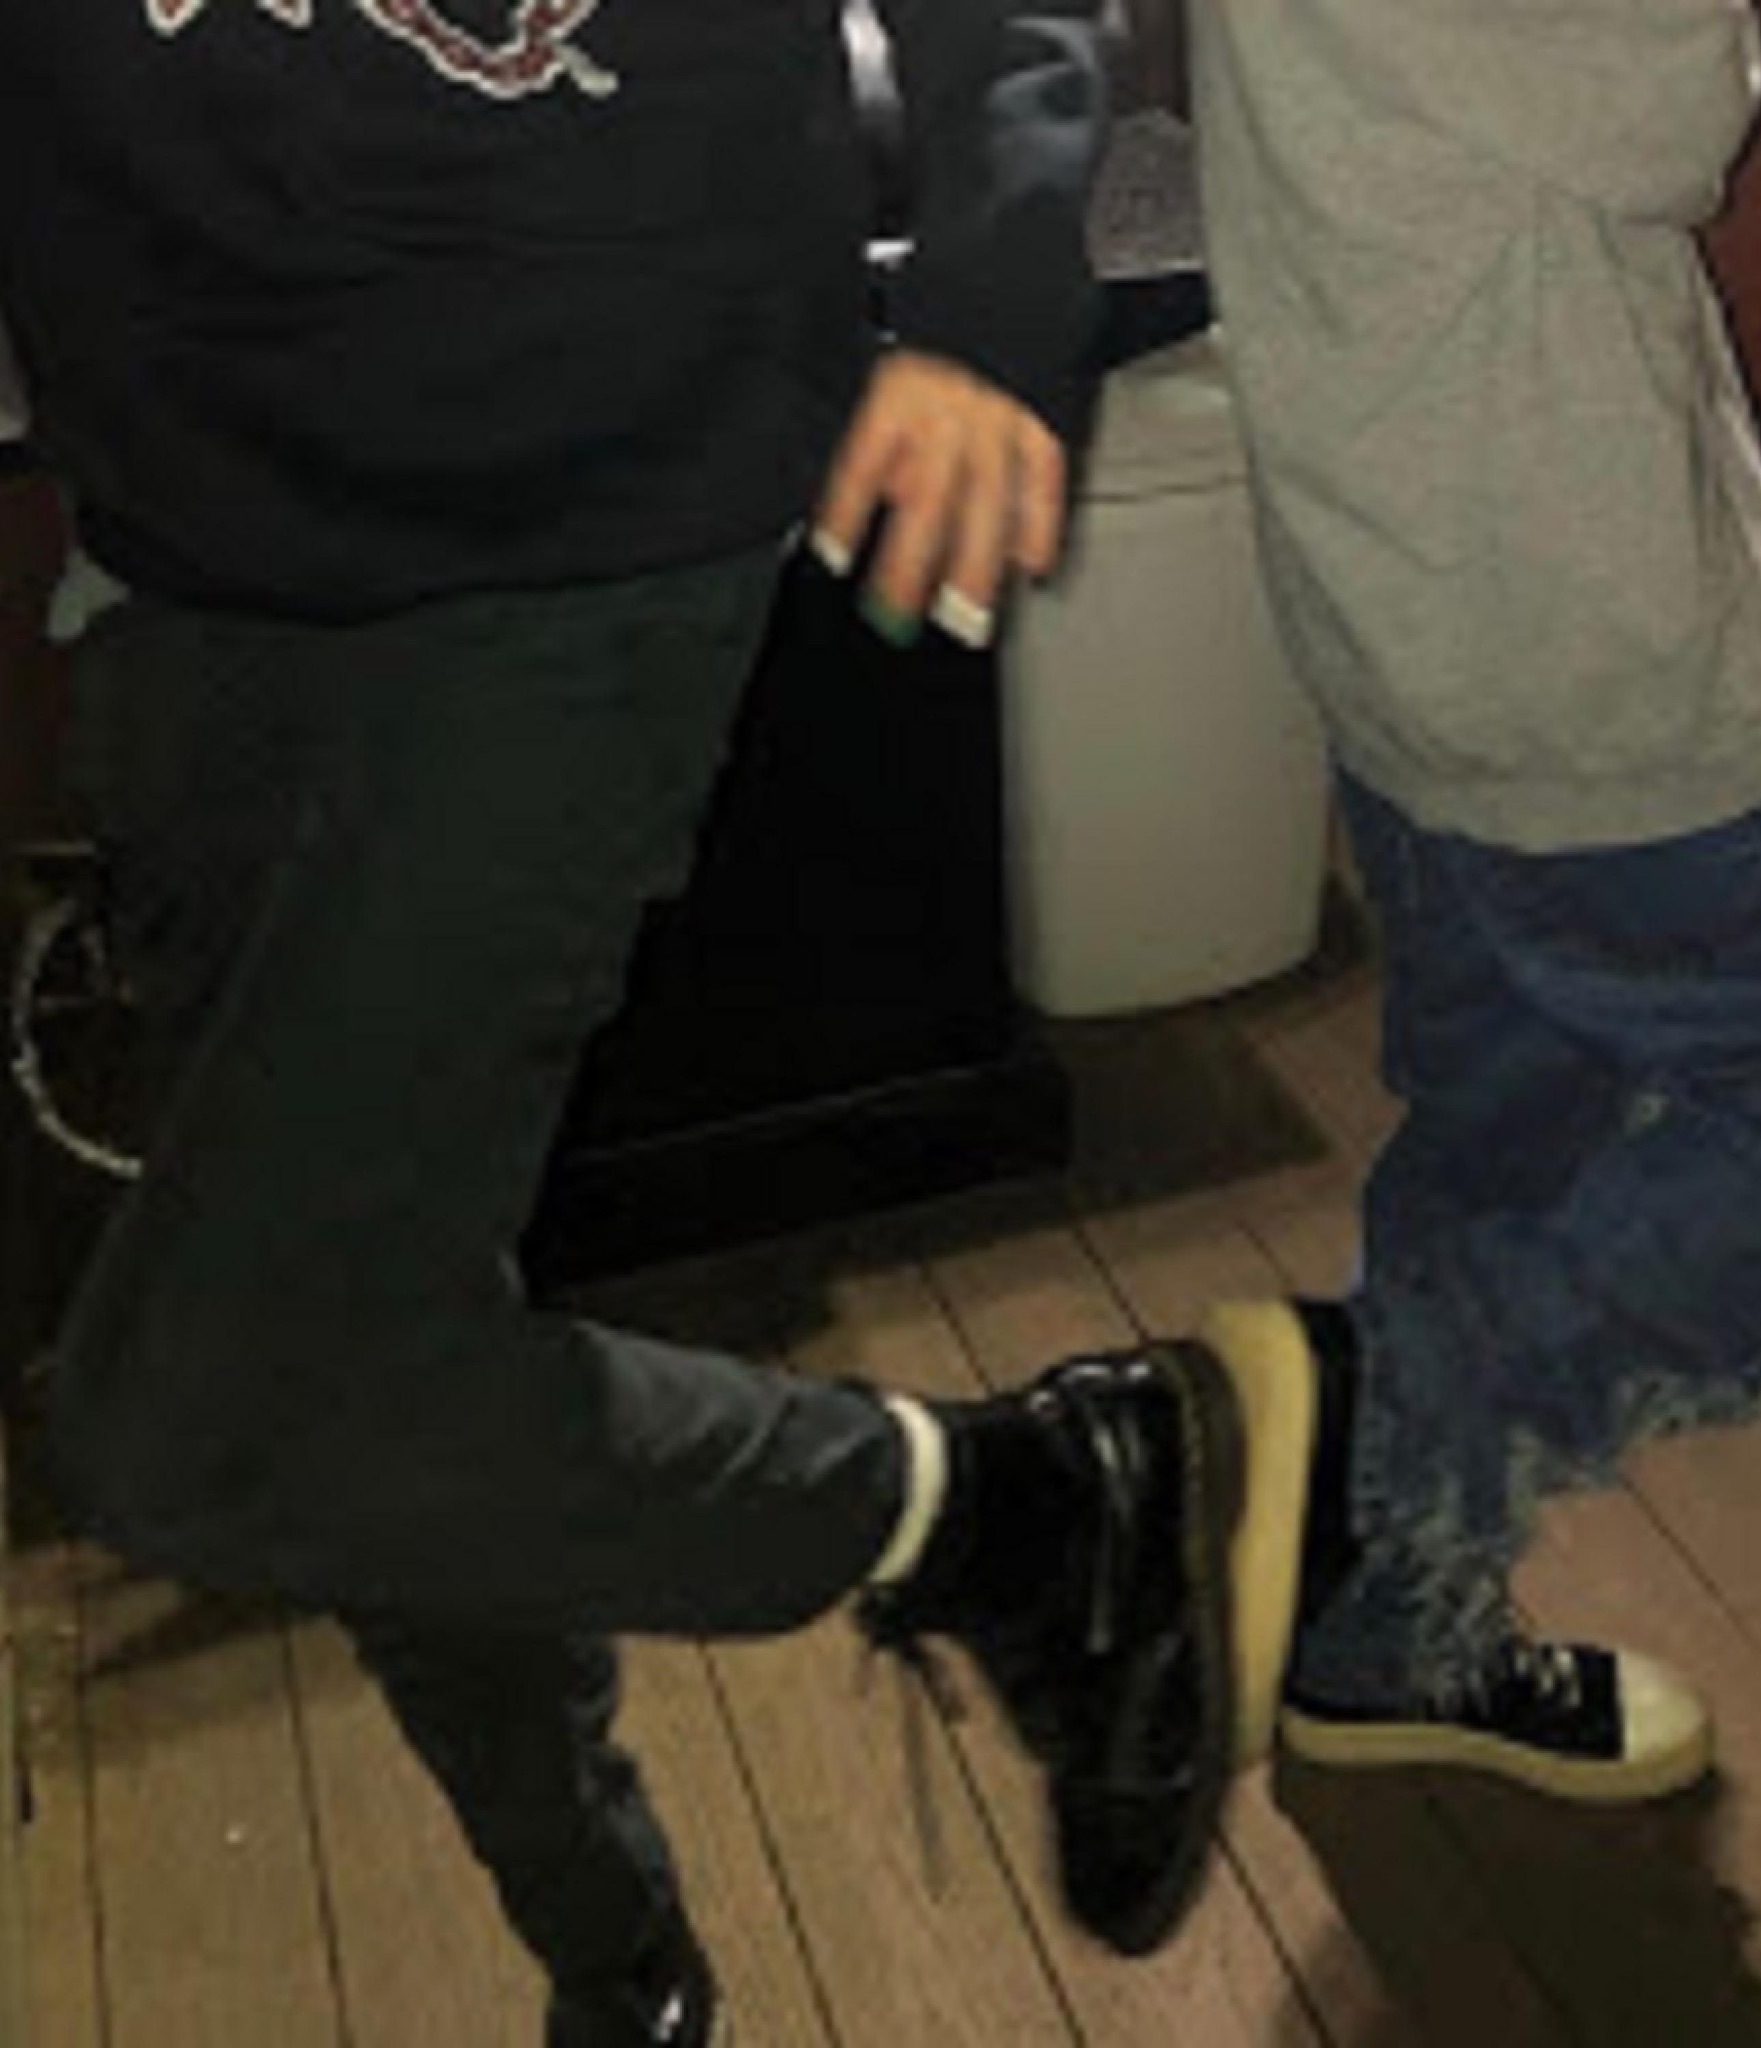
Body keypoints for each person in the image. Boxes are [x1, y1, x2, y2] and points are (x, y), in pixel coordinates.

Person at [0, 6, 1304, 2043]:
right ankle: (618, 1958)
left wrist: (990, 286)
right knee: (357, 1340)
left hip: (597, 489)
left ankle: (1009, 1509)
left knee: (200, 1410)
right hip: (186, 523)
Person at [1160, 0, 1761, 1799]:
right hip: (1581, 622)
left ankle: (1381, 1632)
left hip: (1418, 587)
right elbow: (1670, 100)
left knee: (1506, 1128)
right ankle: (1369, 1423)